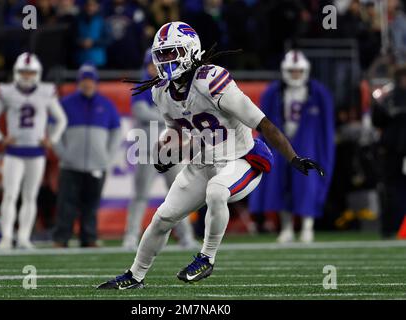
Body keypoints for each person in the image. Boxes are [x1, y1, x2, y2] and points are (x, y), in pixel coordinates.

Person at [97, 22, 324, 290]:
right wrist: (166, 151)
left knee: (217, 192)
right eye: (163, 54)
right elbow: (179, 131)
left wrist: (293, 158)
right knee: (162, 218)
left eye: (173, 52)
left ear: (191, 51)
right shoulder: (160, 92)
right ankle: (135, 276)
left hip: (240, 160)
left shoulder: (211, 80)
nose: (167, 60)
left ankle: (206, 257)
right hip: (203, 162)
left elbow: (262, 123)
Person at [249, 50, 335, 243]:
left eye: (298, 71)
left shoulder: (319, 92)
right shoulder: (273, 92)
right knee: (281, 185)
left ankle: (307, 226)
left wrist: (324, 149)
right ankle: (286, 227)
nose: (295, 75)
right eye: (292, 71)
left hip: (307, 143)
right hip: (281, 143)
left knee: (307, 185)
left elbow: (326, 127)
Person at [0, 52, 67, 250]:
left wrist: (52, 140)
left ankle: (23, 237)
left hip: (36, 152)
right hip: (14, 151)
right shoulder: (7, 91)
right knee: (10, 195)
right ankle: (6, 238)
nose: (26, 75)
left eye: (30, 72)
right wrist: (0, 138)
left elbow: (61, 119)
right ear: (16, 72)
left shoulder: (46, 91)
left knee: (30, 196)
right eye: (23, 71)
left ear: (37, 73)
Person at [123, 50, 198, 251]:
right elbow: (141, 112)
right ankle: (130, 237)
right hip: (147, 149)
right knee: (140, 196)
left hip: (172, 150)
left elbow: (182, 113)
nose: (154, 68)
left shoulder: (171, 85)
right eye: (152, 64)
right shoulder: (142, 86)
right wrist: (166, 115)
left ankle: (186, 237)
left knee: (180, 195)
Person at [52, 64, 122, 248]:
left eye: (90, 80)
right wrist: (63, 154)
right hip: (70, 165)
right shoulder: (66, 103)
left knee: (91, 204)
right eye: (84, 80)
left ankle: (89, 237)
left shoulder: (106, 105)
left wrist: (108, 156)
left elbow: (116, 131)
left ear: (96, 82)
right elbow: (53, 130)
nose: (87, 84)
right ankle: (61, 238)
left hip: (97, 165)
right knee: (66, 203)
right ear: (78, 82)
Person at [372, 65, 406, 238]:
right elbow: (377, 121)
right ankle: (390, 227)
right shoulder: (389, 97)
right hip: (393, 150)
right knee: (391, 189)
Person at [74, 0, 111, 67]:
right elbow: (72, 38)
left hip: (98, 61)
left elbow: (108, 39)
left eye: (93, 5)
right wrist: (80, 42)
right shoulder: (78, 20)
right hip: (81, 60)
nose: (90, 8)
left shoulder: (103, 21)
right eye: (88, 5)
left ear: (97, 6)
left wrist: (93, 42)